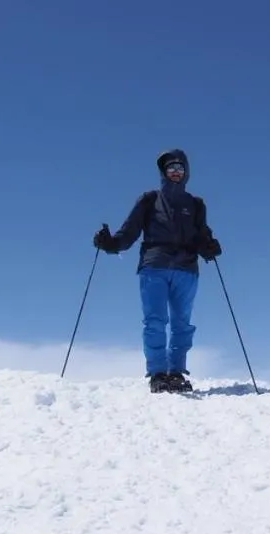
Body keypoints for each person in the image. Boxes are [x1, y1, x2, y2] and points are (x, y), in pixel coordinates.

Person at [93, 148, 222, 393]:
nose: (175, 172)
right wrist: (110, 243)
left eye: (180, 168)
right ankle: (158, 373)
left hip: (186, 268)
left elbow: (201, 236)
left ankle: (176, 372)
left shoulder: (195, 204)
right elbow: (129, 232)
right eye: (171, 168)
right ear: (164, 173)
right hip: (155, 265)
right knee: (155, 320)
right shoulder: (149, 200)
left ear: (186, 173)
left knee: (182, 324)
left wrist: (209, 248)